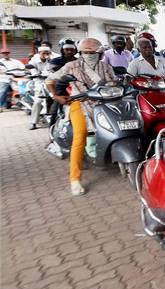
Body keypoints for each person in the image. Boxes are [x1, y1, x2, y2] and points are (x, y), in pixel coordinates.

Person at [46, 38, 116, 196]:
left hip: (105, 102)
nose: (90, 55)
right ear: (81, 52)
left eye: (93, 52)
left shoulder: (106, 67)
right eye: (86, 52)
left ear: (100, 53)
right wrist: (55, 95)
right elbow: (50, 80)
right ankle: (75, 179)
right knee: (80, 136)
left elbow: (115, 83)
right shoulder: (72, 66)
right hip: (79, 103)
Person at [28, 46, 53, 129]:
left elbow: (53, 69)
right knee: (38, 101)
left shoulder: (51, 60)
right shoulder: (34, 60)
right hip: (39, 82)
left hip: (50, 81)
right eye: (44, 53)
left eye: (47, 53)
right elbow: (32, 70)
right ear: (39, 53)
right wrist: (36, 74)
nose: (46, 54)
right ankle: (33, 122)